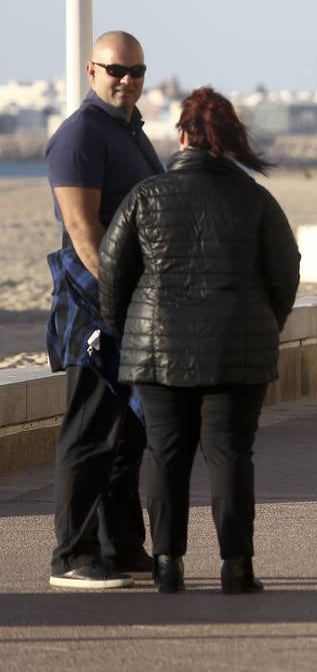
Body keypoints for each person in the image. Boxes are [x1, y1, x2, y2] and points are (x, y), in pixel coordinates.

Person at [98, 88, 300, 595]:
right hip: (237, 348)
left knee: (166, 455)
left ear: (183, 134)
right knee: (231, 455)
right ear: (232, 140)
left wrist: (132, 330)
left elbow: (112, 274)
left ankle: (168, 565)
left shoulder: (148, 195)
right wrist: (264, 324)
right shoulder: (255, 198)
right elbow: (286, 271)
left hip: (158, 349)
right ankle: (237, 567)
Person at [44, 30, 163, 589]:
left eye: (137, 72)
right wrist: (118, 302)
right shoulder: (81, 134)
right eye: (117, 70)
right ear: (92, 71)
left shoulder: (129, 129)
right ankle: (73, 554)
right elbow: (82, 230)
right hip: (96, 307)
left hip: (134, 304)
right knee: (89, 431)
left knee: (127, 431)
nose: (128, 81)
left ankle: (121, 546)